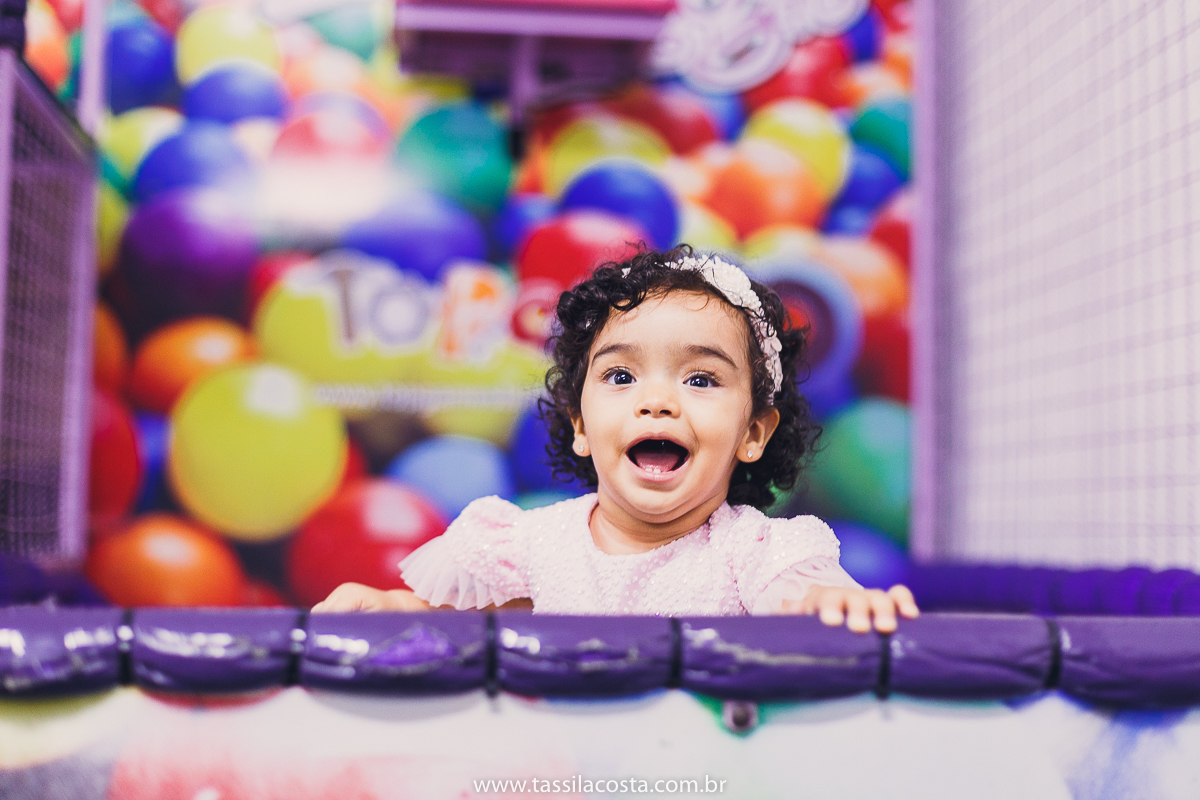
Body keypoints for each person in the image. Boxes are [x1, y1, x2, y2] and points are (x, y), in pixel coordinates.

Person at [315, 247, 919, 633]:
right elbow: (456, 629)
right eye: (622, 376)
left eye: (701, 377)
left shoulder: (753, 553)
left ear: (753, 433)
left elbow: (800, 600)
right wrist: (390, 610)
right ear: (580, 425)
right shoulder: (529, 544)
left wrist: (837, 610)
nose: (656, 400)